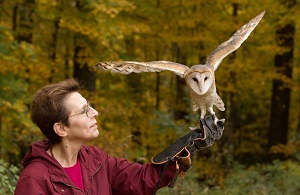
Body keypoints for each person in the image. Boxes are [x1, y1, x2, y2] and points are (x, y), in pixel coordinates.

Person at [14, 78, 224, 195]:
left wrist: (187, 146)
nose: (94, 112)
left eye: (90, 106)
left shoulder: (96, 160)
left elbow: (141, 179)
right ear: (61, 129)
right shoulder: (35, 179)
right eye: (84, 110)